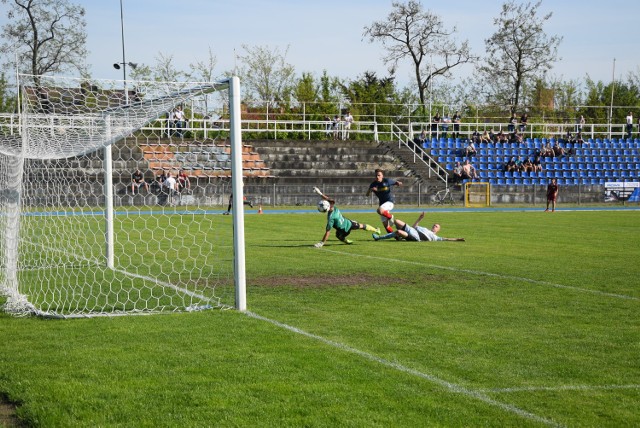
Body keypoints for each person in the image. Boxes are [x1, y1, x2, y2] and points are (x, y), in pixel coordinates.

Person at [312, 187, 379, 247]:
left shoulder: (331, 218)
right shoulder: (333, 206)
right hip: (348, 223)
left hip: (345, 228)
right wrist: (319, 192)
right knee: (362, 226)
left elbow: (328, 232)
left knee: (340, 236)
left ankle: (376, 230)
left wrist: (322, 243)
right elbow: (327, 198)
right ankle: (375, 230)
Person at [372, 211, 465, 242]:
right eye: (434, 225)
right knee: (396, 221)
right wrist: (419, 219)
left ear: (438, 230)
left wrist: (458, 239)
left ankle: (379, 238)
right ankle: (396, 232)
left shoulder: (436, 237)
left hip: (416, 237)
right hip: (413, 230)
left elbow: (446, 239)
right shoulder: (425, 229)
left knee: (399, 232)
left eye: (436, 226)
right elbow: (413, 227)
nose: (434, 226)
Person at [366, 168, 403, 233]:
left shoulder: (387, 181)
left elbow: (396, 182)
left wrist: (398, 183)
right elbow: (367, 194)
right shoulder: (373, 184)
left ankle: (391, 216)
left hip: (389, 202)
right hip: (382, 205)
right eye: (376, 176)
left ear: (382, 176)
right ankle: (397, 237)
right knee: (386, 227)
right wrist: (370, 190)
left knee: (379, 210)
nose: (377, 177)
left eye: (379, 175)